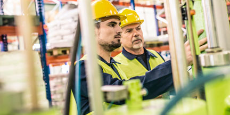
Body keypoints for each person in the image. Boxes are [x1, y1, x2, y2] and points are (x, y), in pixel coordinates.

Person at [69, 0, 206, 115]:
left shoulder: (114, 67)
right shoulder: (82, 68)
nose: (118, 30)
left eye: (118, 25)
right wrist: (177, 64)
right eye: (112, 24)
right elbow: (123, 93)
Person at [114, 8, 208, 79]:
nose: (136, 34)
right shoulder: (117, 65)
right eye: (129, 31)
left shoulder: (155, 55)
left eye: (138, 28)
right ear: (119, 38)